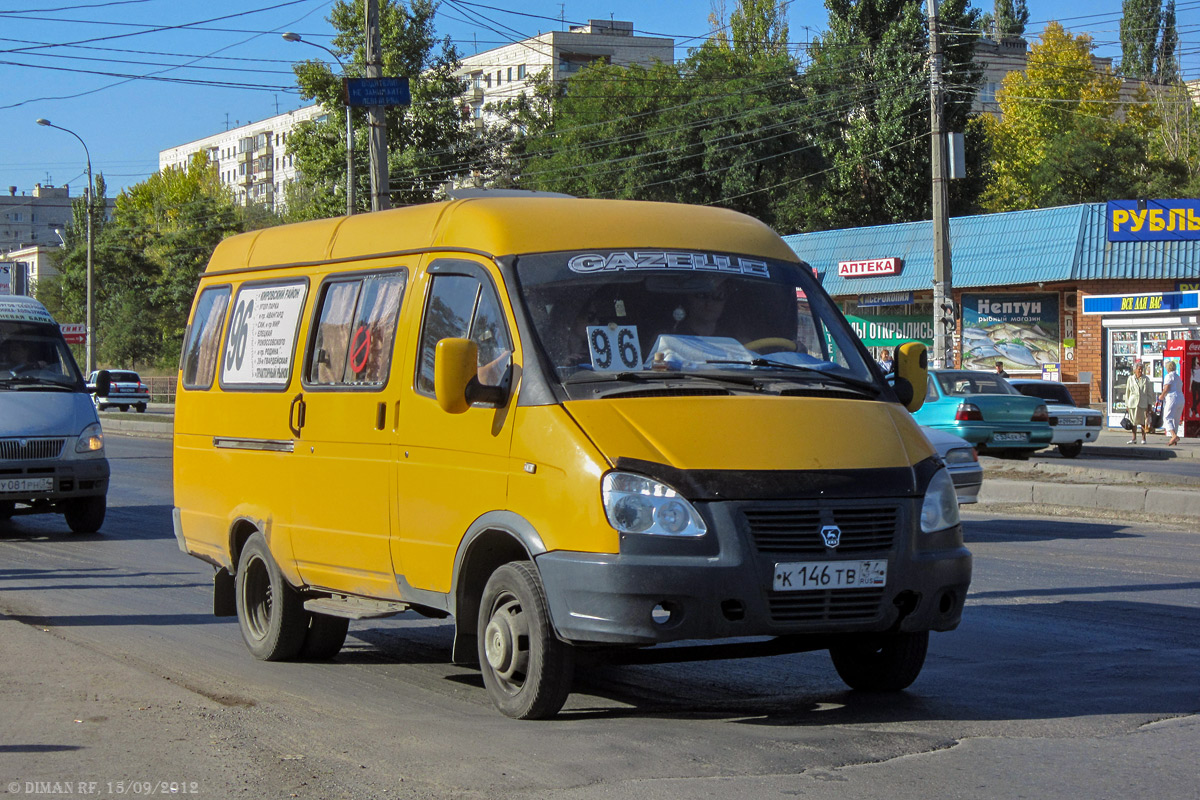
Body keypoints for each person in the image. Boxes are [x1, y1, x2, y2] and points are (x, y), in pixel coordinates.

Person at [1125, 361, 1153, 444]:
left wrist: (1150, 404)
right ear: (1135, 370)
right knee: (1133, 421)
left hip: (1143, 403)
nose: (1140, 371)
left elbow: (1149, 393)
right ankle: (1134, 438)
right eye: (1139, 369)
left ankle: (1143, 438)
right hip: (1133, 403)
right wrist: (1127, 404)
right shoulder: (1130, 379)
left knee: (1143, 421)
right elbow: (1127, 392)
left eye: (1141, 369)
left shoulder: (1146, 379)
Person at [1160, 360, 1184, 446]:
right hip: (1181, 398)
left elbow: (1167, 388)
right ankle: (1175, 439)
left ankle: (1173, 435)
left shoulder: (1168, 376)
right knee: (1176, 419)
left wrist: (1162, 396)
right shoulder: (1178, 377)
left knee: (1167, 417)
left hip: (1172, 398)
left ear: (1168, 368)